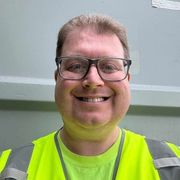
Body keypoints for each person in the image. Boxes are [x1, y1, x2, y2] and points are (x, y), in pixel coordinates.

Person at [0, 14, 180, 180]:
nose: (93, 80)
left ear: (127, 80)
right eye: (76, 66)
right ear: (57, 79)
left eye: (109, 66)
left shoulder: (173, 166)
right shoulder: (7, 169)